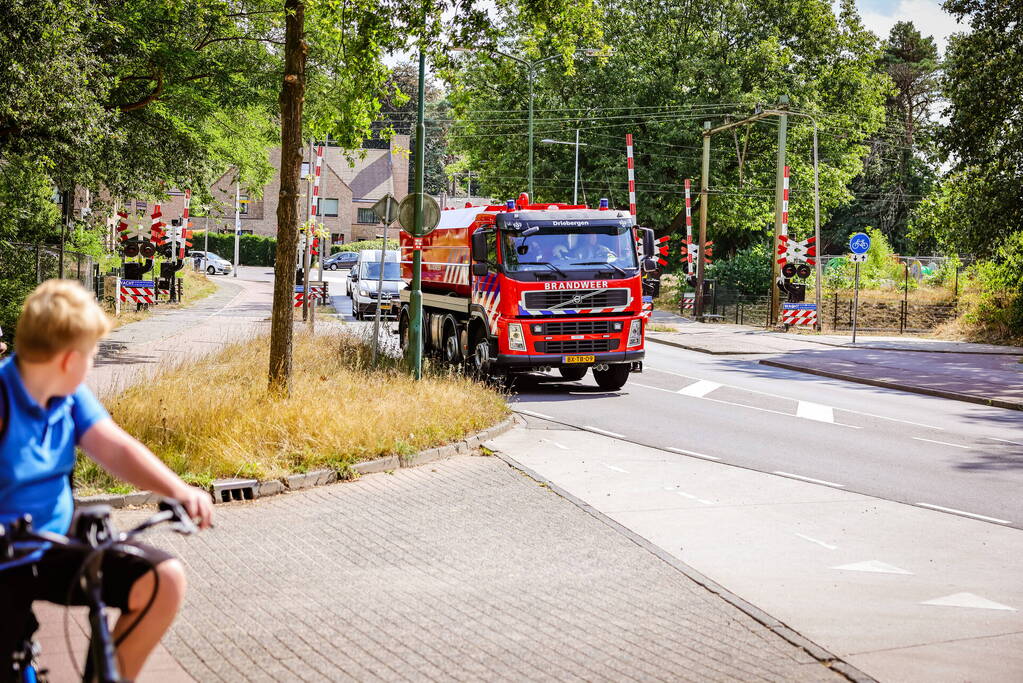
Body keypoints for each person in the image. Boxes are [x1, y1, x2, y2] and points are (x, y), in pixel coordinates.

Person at [0, 280, 213, 681]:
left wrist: (179, 490)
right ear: (66, 359)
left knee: (161, 580)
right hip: (3, 560)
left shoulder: (69, 395)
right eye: (90, 354)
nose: (91, 364)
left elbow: (114, 448)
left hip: (54, 547)